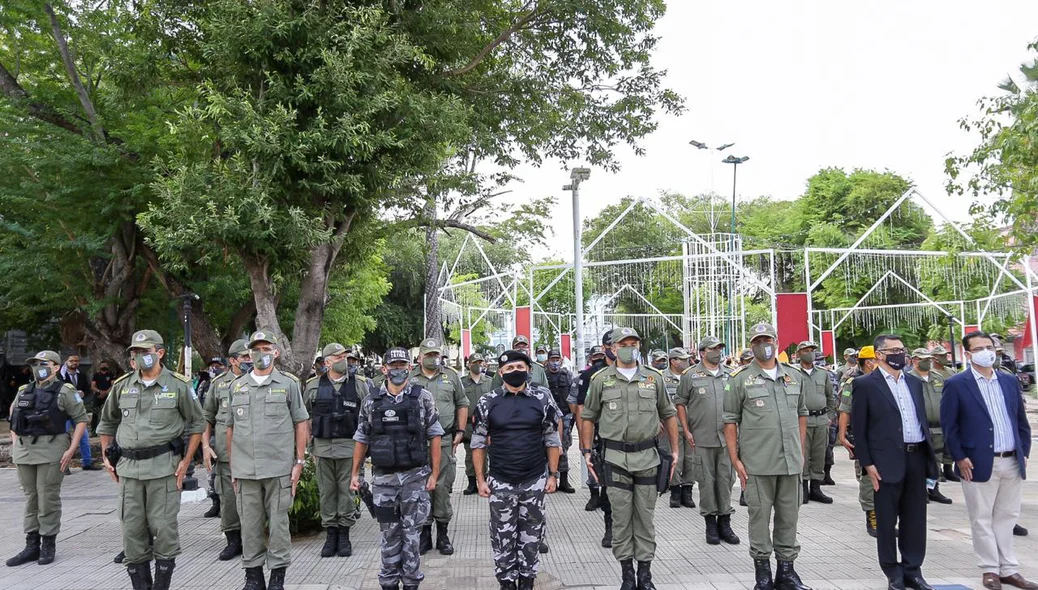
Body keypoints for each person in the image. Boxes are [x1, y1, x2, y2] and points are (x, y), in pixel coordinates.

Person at [97, 330, 204, 590]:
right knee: (132, 532)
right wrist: (107, 456)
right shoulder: (122, 385)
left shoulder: (179, 385)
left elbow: (197, 423)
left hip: (163, 469)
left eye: (146, 351)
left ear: (160, 352)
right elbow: (107, 423)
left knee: (164, 529)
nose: (140, 356)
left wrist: (186, 461)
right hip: (129, 470)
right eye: (136, 352)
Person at [581, 327, 679, 590]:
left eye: (634, 342)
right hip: (615, 459)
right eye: (624, 343)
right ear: (612, 349)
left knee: (645, 519)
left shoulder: (653, 378)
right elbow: (587, 416)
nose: (630, 347)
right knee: (621, 519)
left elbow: (668, 414)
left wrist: (675, 450)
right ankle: (627, 575)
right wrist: (587, 451)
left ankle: (645, 576)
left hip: (648, 457)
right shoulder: (601, 379)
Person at [940, 331, 1035, 590]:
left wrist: (1023, 450)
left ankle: (1009, 569)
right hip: (977, 462)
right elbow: (950, 426)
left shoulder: (1007, 381)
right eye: (979, 348)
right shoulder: (958, 384)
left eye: (989, 346)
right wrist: (959, 457)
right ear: (968, 354)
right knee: (981, 518)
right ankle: (990, 569)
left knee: (1007, 515)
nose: (987, 351)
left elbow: (1020, 420)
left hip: (1011, 460)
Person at [723, 322, 812, 590]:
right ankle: (762, 574)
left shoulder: (794, 376)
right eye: (758, 340)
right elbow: (729, 422)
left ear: (777, 341)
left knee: (789, 517)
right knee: (759, 519)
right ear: (751, 346)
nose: (764, 344)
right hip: (757, 464)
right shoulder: (739, 379)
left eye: (768, 339)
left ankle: (787, 572)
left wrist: (801, 451)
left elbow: (802, 414)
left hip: (790, 462)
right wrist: (735, 459)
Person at [350, 346, 442, 590]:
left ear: (410, 368)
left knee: (412, 534)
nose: (398, 370)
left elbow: (435, 436)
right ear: (384, 369)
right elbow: (362, 438)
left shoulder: (423, 398)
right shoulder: (371, 401)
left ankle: (411, 583)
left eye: (402, 366)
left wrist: (434, 473)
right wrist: (355, 474)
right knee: (389, 534)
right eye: (393, 366)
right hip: (384, 480)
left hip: (415, 478)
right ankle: (389, 582)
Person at [852, 334, 938, 590]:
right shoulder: (865, 385)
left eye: (902, 349)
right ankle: (893, 572)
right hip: (884, 462)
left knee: (915, 519)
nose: (901, 354)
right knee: (887, 521)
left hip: (916, 457)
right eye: (895, 350)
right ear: (879, 355)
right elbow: (860, 428)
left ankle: (913, 569)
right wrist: (867, 464)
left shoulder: (913, 383)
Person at [226, 330, 309, 590]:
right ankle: (253, 578)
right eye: (256, 349)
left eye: (266, 348)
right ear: (249, 353)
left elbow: (301, 423)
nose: (261, 353)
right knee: (249, 527)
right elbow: (230, 428)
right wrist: (232, 466)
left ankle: (277, 579)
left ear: (276, 352)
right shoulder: (236, 386)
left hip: (279, 469)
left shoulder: (288, 384)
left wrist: (299, 462)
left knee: (278, 525)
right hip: (245, 470)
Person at [473, 350, 562, 590]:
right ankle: (506, 583)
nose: (515, 372)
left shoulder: (542, 398)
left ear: (529, 370)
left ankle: (527, 581)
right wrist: (480, 479)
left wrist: (553, 475)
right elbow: (478, 444)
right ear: (500, 373)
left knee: (532, 536)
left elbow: (552, 439)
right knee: (503, 538)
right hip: (500, 480)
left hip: (534, 478)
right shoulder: (487, 401)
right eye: (509, 369)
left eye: (520, 367)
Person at [6, 350, 88, 567]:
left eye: (43, 363)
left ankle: (48, 544)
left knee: (47, 497)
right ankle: (31, 545)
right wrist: (15, 443)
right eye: (35, 363)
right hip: (25, 452)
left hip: (52, 450)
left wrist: (71, 449)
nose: (38, 367)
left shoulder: (65, 390)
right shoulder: (24, 390)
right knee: (31, 498)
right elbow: (13, 416)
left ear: (55, 367)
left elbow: (80, 420)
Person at [305, 343, 368, 559]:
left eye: (345, 356)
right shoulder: (313, 385)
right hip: (322, 449)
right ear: (327, 362)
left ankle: (344, 535)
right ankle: (330, 534)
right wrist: (309, 445)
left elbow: (368, 416)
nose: (344, 360)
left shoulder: (359, 385)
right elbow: (305, 418)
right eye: (339, 356)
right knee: (327, 493)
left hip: (349, 449)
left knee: (347, 494)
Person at [677, 337, 738, 545]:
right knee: (706, 482)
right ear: (702, 352)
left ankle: (725, 522)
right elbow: (680, 403)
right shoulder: (690, 375)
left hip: (727, 440)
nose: (717, 352)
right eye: (712, 349)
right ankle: (710, 524)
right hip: (701, 438)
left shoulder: (731, 375)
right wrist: (686, 430)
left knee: (726, 480)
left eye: (720, 348)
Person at [409, 338, 468, 556]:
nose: (434, 358)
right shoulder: (409, 377)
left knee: (442, 485)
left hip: (444, 440)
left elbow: (462, 403)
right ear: (420, 356)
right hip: (416, 441)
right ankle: (424, 533)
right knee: (420, 486)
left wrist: (460, 431)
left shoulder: (451, 376)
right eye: (429, 354)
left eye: (437, 354)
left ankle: (443, 533)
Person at [200, 338, 250, 560]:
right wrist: (204, 446)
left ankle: (254, 540)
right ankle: (233, 540)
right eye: (245, 357)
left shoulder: (258, 379)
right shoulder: (219, 383)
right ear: (232, 361)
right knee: (229, 498)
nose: (250, 360)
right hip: (226, 453)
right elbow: (206, 417)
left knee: (252, 500)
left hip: (253, 453)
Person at [575, 334, 616, 548]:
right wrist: (585, 442)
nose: (619, 349)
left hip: (637, 443)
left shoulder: (641, 374)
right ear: (606, 347)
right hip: (605, 441)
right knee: (608, 488)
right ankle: (610, 529)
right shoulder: (592, 375)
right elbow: (583, 410)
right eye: (614, 345)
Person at [839, 345, 879, 536]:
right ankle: (871, 516)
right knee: (866, 477)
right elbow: (844, 409)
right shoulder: (853, 382)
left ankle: (884, 516)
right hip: (862, 435)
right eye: (875, 359)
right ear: (868, 362)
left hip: (883, 436)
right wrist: (842, 435)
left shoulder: (885, 380)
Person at [908, 349, 952, 505]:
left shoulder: (938, 378)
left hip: (938, 427)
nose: (928, 361)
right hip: (920, 427)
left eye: (929, 358)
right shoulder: (908, 379)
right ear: (914, 360)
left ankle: (934, 489)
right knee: (920, 460)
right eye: (923, 359)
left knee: (936, 459)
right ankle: (920, 490)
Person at [793, 341, 835, 504]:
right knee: (803, 453)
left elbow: (830, 397)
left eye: (812, 350)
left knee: (819, 454)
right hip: (802, 420)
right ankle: (803, 488)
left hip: (821, 420)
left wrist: (829, 416)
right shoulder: (794, 373)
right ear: (798, 354)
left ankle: (816, 488)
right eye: (805, 350)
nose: (809, 353)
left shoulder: (822, 374)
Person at [663, 347, 696, 509]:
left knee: (690, 460)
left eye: (687, 359)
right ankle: (675, 491)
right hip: (672, 427)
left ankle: (687, 491)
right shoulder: (662, 378)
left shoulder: (692, 376)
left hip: (692, 426)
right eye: (682, 359)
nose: (686, 362)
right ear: (673, 361)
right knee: (676, 459)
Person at [544, 348, 576, 494]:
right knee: (549, 448)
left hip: (565, 416)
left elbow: (573, 397)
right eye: (552, 359)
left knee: (563, 448)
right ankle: (551, 480)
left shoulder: (568, 375)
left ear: (561, 361)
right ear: (547, 361)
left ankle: (564, 481)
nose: (555, 362)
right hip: (549, 417)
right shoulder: (544, 375)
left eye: (557, 359)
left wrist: (573, 416)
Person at [462, 353, 494, 495]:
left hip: (486, 423)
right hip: (469, 424)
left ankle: (484, 479)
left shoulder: (489, 381)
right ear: (469, 364)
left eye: (480, 362)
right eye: (475, 362)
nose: (478, 365)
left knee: (485, 453)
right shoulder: (462, 382)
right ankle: (471, 482)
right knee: (470, 454)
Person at [59, 354, 97, 470]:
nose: (74, 363)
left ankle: (87, 462)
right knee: (63, 438)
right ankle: (64, 466)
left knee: (84, 437)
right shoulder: (60, 375)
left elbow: (88, 390)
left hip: (78, 411)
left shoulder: (82, 375)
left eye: (76, 361)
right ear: (66, 361)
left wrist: (83, 395)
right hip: (64, 413)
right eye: (72, 361)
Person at [90, 361, 117, 435]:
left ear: (107, 366)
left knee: (107, 413)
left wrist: (105, 392)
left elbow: (113, 385)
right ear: (99, 366)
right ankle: (93, 432)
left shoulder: (111, 375)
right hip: (98, 396)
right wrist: (99, 391)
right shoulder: (96, 375)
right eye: (102, 365)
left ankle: (107, 431)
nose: (103, 366)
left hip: (107, 396)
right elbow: (92, 386)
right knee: (95, 413)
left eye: (105, 365)